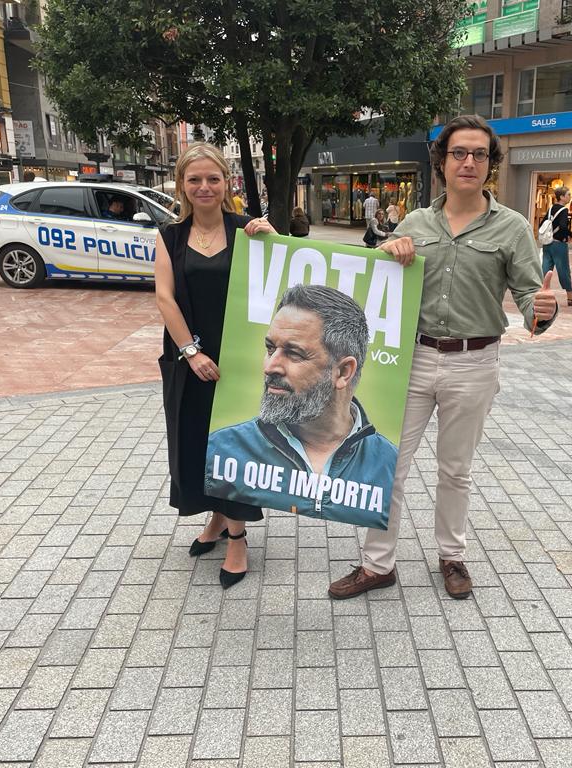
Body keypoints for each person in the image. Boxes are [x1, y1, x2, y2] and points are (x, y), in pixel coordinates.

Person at [328, 114, 558, 601]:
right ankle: (377, 564)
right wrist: (392, 252)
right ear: (442, 162)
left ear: (490, 164)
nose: (469, 161)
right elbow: (381, 286)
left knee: (456, 469)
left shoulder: (512, 228)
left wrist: (543, 309)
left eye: (479, 154)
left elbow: (529, 301)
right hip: (412, 359)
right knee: (388, 463)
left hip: (474, 363)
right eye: (459, 153)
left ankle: (452, 556)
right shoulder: (415, 222)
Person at [154, 142, 275, 589]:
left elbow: (274, 280)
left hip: (240, 361)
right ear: (183, 186)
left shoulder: (247, 230)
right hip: (191, 359)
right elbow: (165, 297)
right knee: (196, 444)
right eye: (194, 180)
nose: (204, 187)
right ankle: (217, 518)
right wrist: (191, 351)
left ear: (227, 183)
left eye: (213, 179)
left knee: (235, 444)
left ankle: (238, 537)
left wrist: (271, 238)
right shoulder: (169, 237)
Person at [205, 284, 397, 523]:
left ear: (343, 372)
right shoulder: (222, 448)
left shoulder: (388, 463)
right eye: (270, 348)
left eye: (294, 353)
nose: (270, 367)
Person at [541, 186, 572, 307]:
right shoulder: (563, 210)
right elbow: (563, 227)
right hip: (559, 244)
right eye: (568, 194)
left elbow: (542, 224)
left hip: (548, 243)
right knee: (563, 270)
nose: (570, 197)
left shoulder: (551, 208)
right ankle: (570, 297)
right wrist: (571, 235)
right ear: (562, 197)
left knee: (546, 268)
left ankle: (542, 294)